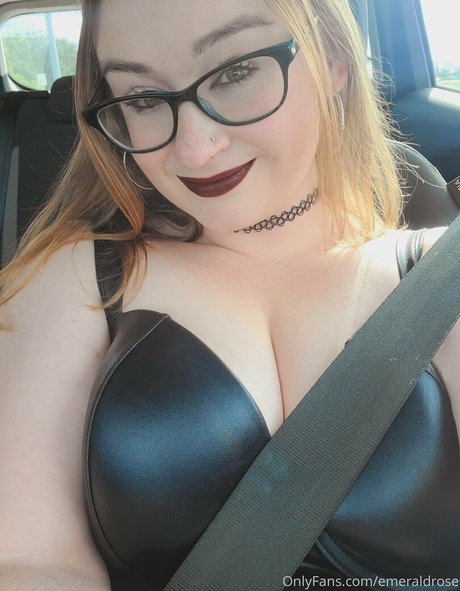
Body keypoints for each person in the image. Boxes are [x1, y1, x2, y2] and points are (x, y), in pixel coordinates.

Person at [0, 0, 459, 589]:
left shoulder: (442, 275)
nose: (194, 148)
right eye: (143, 99)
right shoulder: (75, 277)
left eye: (236, 72)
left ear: (334, 62)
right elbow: (29, 558)